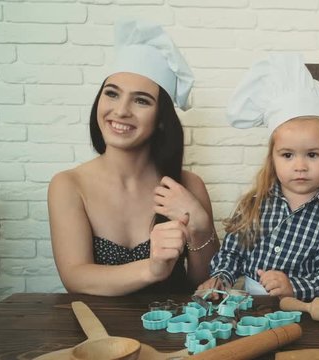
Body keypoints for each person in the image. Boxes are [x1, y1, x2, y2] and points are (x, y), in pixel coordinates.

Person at [47, 19, 219, 296]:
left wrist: (200, 227)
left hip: (172, 334)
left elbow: (203, 285)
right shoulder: (68, 185)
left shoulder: (189, 185)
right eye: (112, 94)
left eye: (141, 100)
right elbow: (75, 276)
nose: (121, 110)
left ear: (162, 119)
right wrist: (151, 269)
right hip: (100, 336)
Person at [198, 54, 319, 300]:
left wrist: (296, 286)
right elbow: (233, 252)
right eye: (287, 155)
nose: (300, 166)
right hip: (251, 308)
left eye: (313, 155)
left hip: (308, 307)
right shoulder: (255, 204)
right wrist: (221, 277)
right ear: (272, 159)